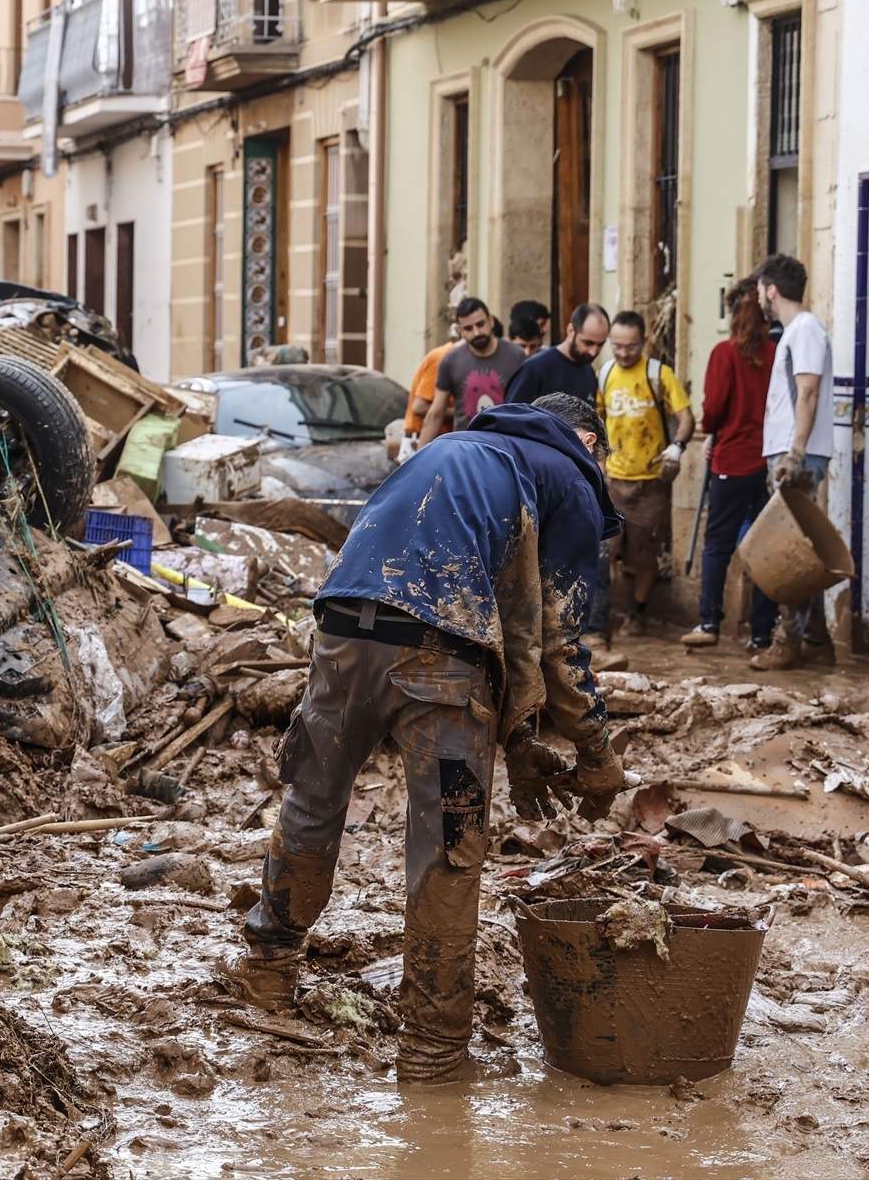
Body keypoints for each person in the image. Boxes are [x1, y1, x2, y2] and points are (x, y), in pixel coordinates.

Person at [223, 393, 629, 1083]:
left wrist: (520, 744)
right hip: (440, 661)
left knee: (313, 802)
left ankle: (268, 971)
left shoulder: (453, 450)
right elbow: (557, 640)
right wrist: (598, 754)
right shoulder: (570, 478)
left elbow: (508, 623)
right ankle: (434, 1053)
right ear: (589, 442)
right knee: (447, 847)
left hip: (342, 631)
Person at [751, 252, 837, 670]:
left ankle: (788, 641)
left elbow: (808, 392)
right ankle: (818, 641)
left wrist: (795, 453)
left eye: (760, 290)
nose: (759, 299)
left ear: (771, 290)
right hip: (791, 452)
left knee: (789, 551)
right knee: (803, 547)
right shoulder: (794, 331)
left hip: (795, 456)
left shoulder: (804, 330)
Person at [682, 278, 778, 649]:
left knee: (717, 544)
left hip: (732, 462)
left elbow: (714, 409)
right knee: (766, 547)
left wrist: (711, 430)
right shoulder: (775, 353)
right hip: (767, 463)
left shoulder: (724, 354)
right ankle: (762, 632)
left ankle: (709, 623)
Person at [592, 311, 694, 638]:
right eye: (617, 346)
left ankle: (637, 612)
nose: (623, 353)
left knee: (642, 551)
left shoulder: (658, 374)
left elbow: (687, 417)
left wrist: (677, 447)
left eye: (631, 347)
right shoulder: (605, 374)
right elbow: (595, 420)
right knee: (606, 549)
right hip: (612, 480)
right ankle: (603, 614)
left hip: (650, 482)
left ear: (643, 342)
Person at [422, 297, 525, 438]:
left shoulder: (516, 356)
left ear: (491, 321)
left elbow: (528, 408)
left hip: (507, 443)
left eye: (480, 324)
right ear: (460, 331)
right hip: (466, 445)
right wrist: (420, 456)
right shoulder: (450, 360)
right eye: (468, 328)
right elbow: (435, 414)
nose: (476, 332)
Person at [505, 302, 610, 406]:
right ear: (571, 331)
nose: (593, 352)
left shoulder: (589, 371)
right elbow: (510, 416)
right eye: (588, 343)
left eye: (600, 344)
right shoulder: (535, 369)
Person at [398, 322, 459, 458]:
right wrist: (460, 412)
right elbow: (419, 407)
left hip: (436, 441)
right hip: (421, 441)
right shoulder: (443, 358)